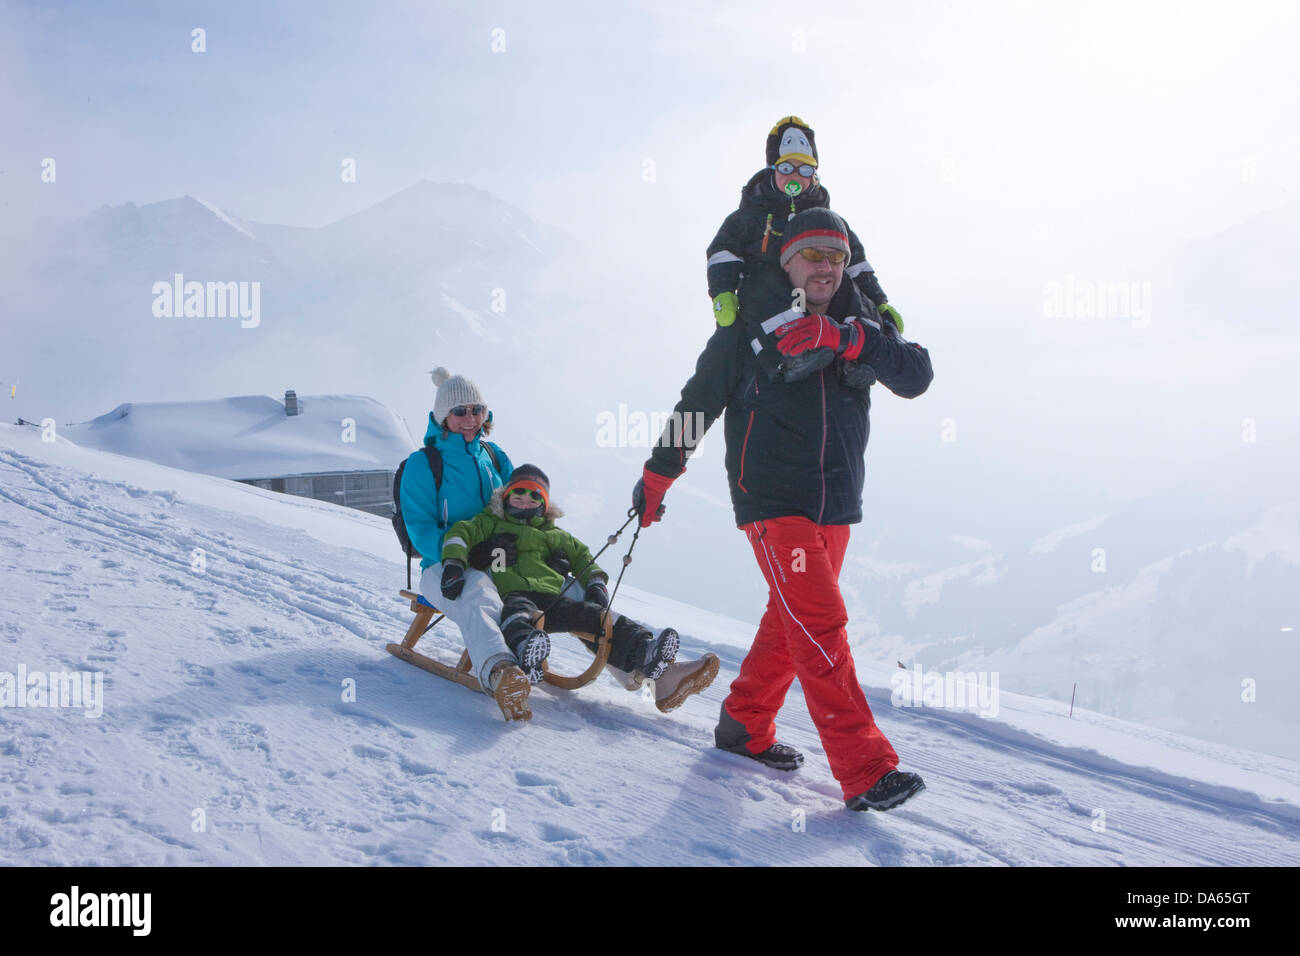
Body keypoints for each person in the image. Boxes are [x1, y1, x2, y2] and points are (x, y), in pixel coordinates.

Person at [632, 208, 934, 811]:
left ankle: (744, 724)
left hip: (838, 503)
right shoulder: (748, 324)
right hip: (772, 501)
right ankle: (865, 769)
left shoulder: (861, 319)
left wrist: (847, 339)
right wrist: (657, 477)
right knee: (821, 626)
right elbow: (697, 403)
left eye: (836, 256)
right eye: (812, 254)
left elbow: (918, 373)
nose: (825, 266)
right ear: (787, 260)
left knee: (789, 622)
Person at [401, 368, 718, 722]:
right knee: (478, 593)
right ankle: (502, 672)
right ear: (443, 416)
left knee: (573, 589)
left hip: (504, 563)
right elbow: (420, 530)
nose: (470, 418)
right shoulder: (423, 465)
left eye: (476, 410)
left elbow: (520, 505)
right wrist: (467, 557)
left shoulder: (493, 456)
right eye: (460, 411)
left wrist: (545, 550)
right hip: (445, 567)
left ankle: (657, 671)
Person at [439, 463, 682, 690]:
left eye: (533, 498)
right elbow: (459, 535)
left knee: (596, 617)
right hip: (512, 594)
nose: (525, 503)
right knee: (517, 616)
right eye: (518, 496)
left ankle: (644, 650)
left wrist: (595, 582)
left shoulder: (554, 534)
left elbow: (582, 557)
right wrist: (454, 564)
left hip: (553, 598)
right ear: (505, 497)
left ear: (543, 505)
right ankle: (526, 652)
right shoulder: (490, 523)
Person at [706, 116, 904, 337]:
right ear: (773, 170)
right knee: (767, 281)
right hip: (768, 301)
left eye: (805, 170)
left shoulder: (827, 221)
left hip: (814, 295)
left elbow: (855, 262)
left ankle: (865, 343)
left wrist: (879, 301)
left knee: (845, 285)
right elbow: (723, 253)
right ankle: (789, 352)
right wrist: (722, 292)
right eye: (787, 167)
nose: (795, 175)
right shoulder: (750, 217)